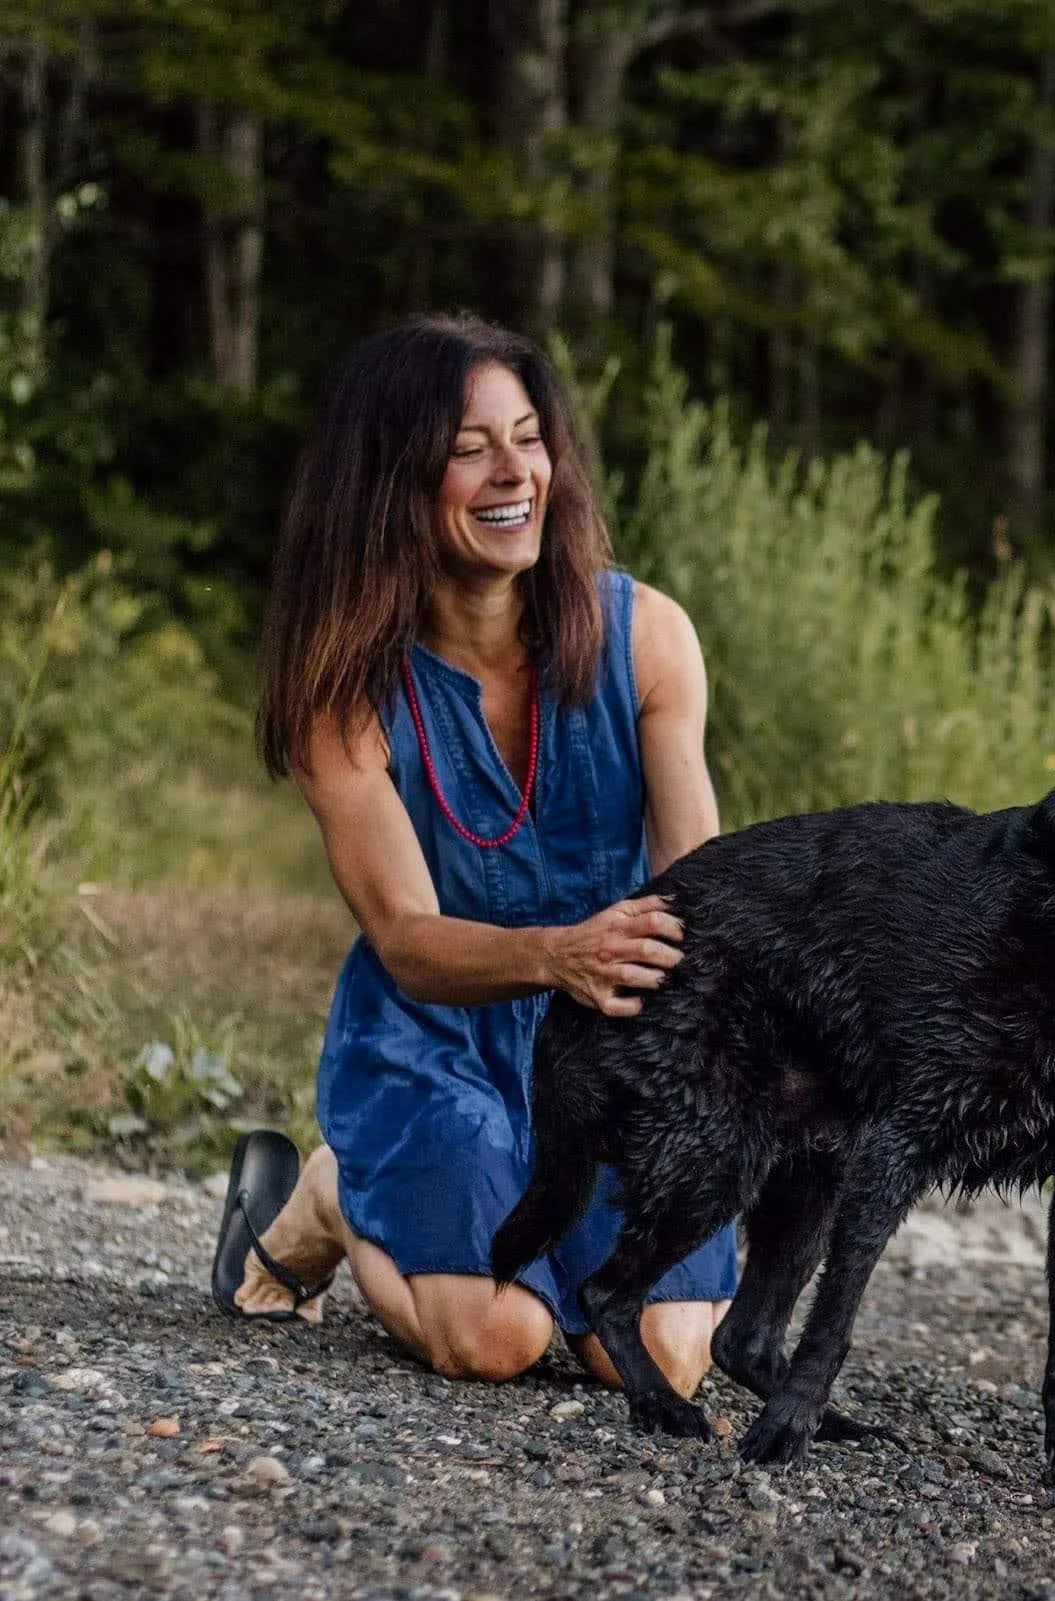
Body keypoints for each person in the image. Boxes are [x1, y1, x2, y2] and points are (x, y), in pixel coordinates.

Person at [210, 314, 736, 1394]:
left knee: (665, 1360)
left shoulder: (647, 638)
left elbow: (706, 886)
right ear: (393, 480)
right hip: (433, 1045)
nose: (516, 473)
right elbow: (403, 938)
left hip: (614, 1046)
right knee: (499, 1339)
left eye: (530, 437)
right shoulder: (343, 692)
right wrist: (556, 954)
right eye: (470, 448)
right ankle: (332, 1192)